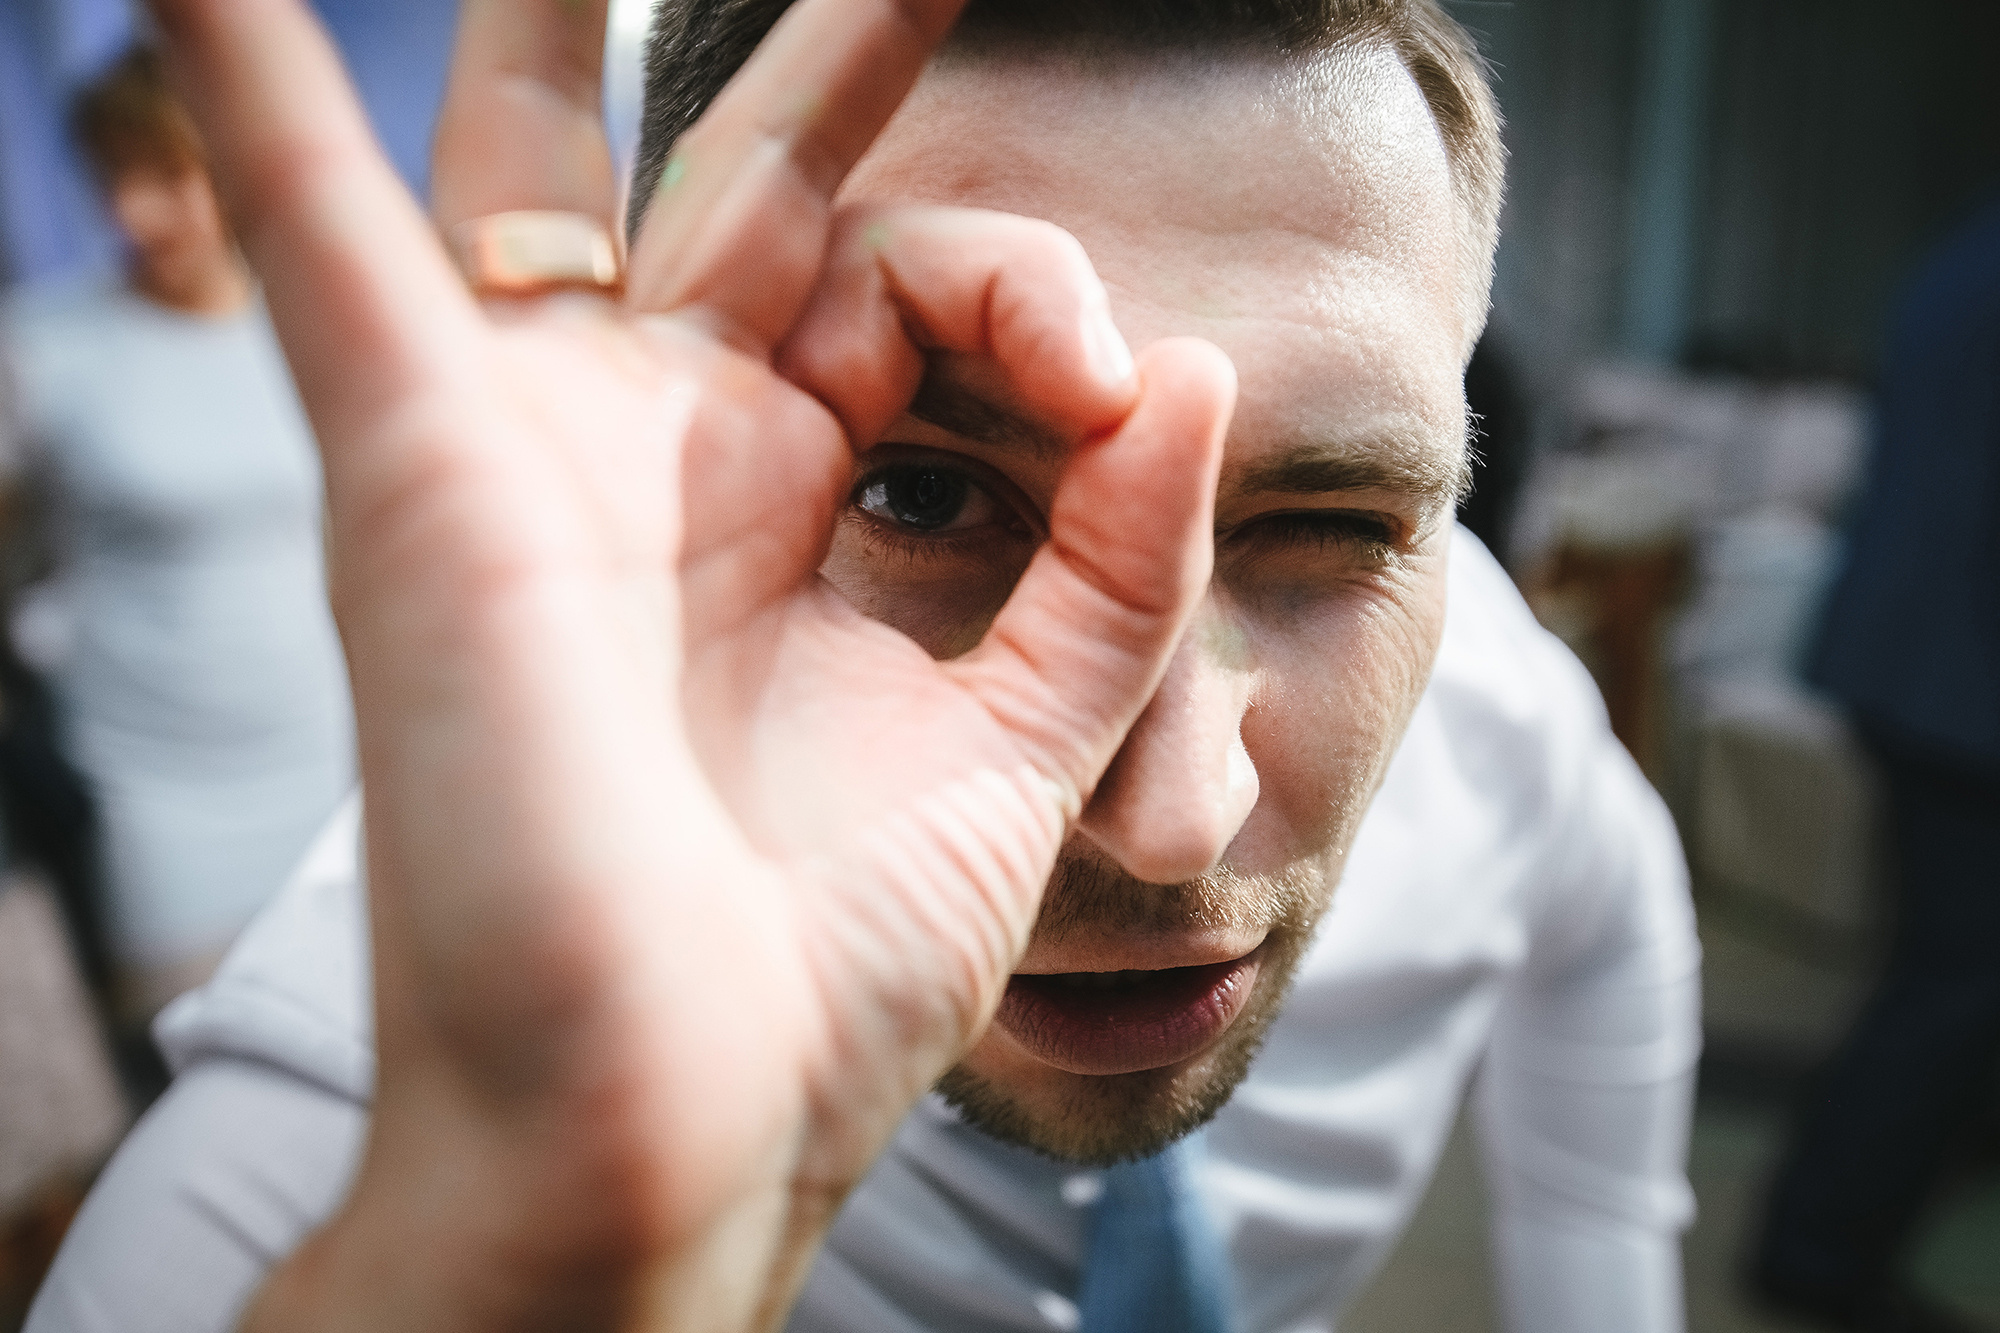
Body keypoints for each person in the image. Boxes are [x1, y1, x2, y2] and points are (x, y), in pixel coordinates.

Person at [28, 1, 1700, 1331]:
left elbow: (1611, 975)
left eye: (1326, 518)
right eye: (921, 495)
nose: (1175, 818)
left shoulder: (1496, 713)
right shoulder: (297, 1185)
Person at [1, 48, 356, 1030]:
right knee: (200, 1057)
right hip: (151, 789)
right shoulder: (45, 349)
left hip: (323, 758)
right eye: (111, 175)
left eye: (166, 173)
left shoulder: (314, 327)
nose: (134, 212)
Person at [1751, 199, 2000, 1333]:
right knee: (1951, 983)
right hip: (1960, 681)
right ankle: (1817, 1248)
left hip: (1914, 658)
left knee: (1942, 973)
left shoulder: (1959, 253)